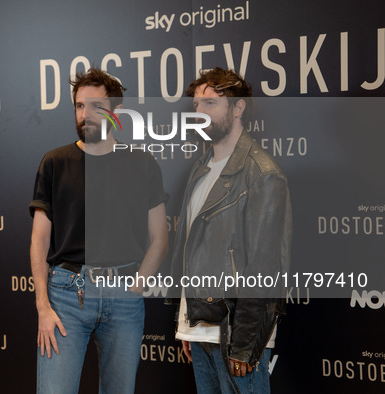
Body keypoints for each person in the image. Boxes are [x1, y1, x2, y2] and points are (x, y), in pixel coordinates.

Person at [29, 68, 168, 394]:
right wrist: (42, 307)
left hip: (124, 296)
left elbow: (160, 238)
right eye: (79, 106)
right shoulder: (55, 162)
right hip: (64, 296)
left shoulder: (142, 164)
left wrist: (137, 286)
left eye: (94, 106)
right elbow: (39, 240)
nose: (84, 114)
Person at [170, 67, 292, 393]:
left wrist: (246, 342)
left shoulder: (262, 173)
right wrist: (189, 323)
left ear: (238, 108)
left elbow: (265, 266)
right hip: (201, 329)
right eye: (196, 105)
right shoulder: (201, 168)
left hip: (234, 334)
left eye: (210, 104)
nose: (199, 113)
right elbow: (193, 251)